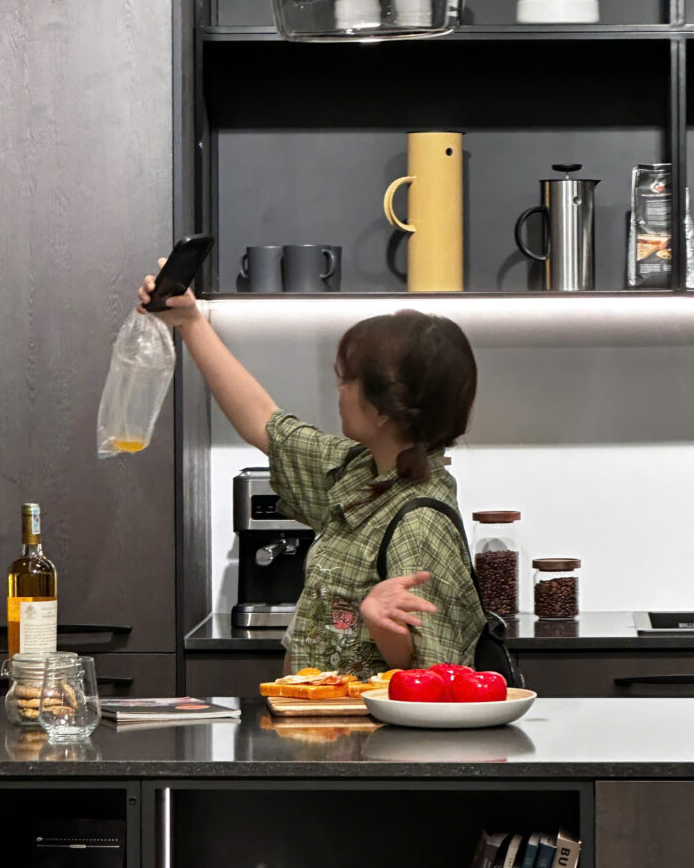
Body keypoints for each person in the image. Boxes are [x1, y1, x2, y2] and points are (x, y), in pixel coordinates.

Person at [138, 262, 485, 679]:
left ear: (384, 409)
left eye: (349, 380)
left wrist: (379, 622)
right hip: (317, 719)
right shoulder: (360, 473)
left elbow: (436, 677)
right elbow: (265, 423)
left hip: (364, 724)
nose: (340, 390)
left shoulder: (420, 524)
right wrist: (190, 321)